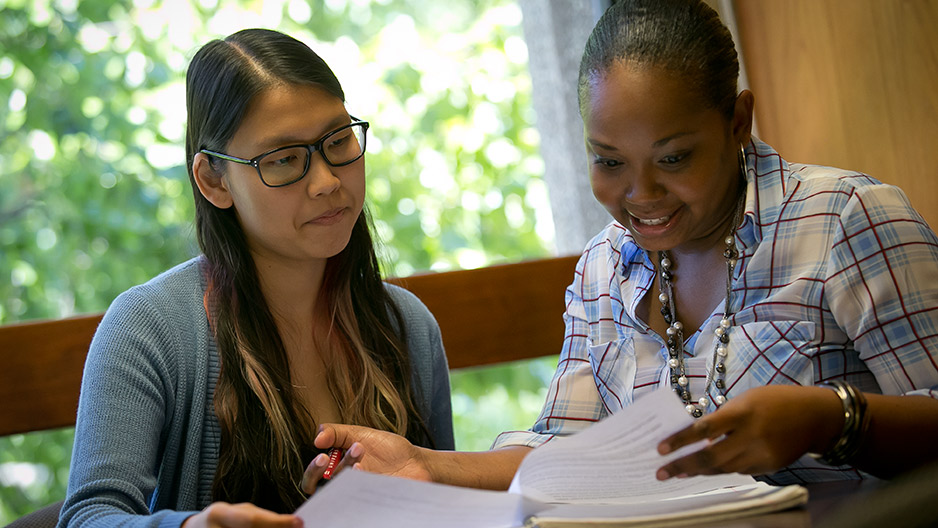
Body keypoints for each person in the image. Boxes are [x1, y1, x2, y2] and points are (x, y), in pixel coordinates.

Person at [307, 0, 938, 492]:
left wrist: (831, 419)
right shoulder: (604, 269)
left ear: (738, 121)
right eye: (609, 161)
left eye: (674, 157)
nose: (642, 194)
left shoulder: (843, 220)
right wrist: (422, 465)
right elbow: (563, 450)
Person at [58, 28, 454, 528]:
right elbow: (89, 517)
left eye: (338, 140)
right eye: (284, 159)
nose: (328, 181)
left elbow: (445, 509)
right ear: (213, 181)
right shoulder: (149, 328)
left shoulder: (408, 326)